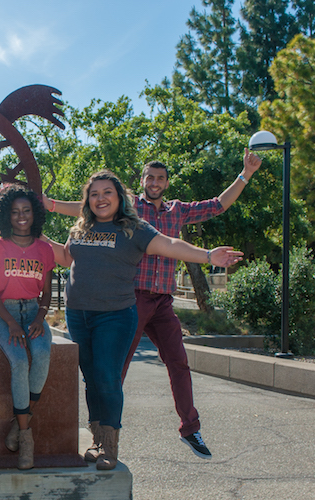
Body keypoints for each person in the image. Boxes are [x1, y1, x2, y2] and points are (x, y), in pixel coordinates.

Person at [44, 150, 260, 459]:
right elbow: (74, 231)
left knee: (163, 364)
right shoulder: (105, 217)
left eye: (160, 178)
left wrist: (245, 176)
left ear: (167, 182)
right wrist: (44, 210)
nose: (155, 182)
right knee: (102, 374)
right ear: (141, 181)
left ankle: (178, 429)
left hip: (147, 303)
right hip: (112, 303)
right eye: (150, 177)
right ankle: (100, 434)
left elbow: (206, 216)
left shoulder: (162, 217)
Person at [0, 184, 54, 470]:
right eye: (15, 212)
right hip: (6, 315)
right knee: (18, 361)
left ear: (34, 214)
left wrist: (39, 319)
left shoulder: (45, 249)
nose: (21, 216)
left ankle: (20, 421)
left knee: (41, 354)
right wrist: (12, 324)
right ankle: (26, 437)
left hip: (34, 313)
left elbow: (47, 293)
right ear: (6, 216)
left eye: (26, 211)